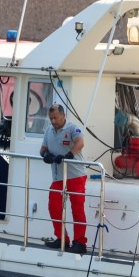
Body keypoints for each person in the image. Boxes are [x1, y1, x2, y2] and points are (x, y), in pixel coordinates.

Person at [40, 103, 87, 254]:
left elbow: (80, 142)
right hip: (59, 176)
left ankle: (79, 242)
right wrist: (45, 155)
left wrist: (69, 154)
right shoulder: (49, 131)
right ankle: (62, 239)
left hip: (76, 175)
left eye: (56, 118)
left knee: (77, 208)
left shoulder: (72, 128)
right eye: (51, 118)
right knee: (54, 206)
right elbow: (43, 149)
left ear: (63, 116)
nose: (53, 121)